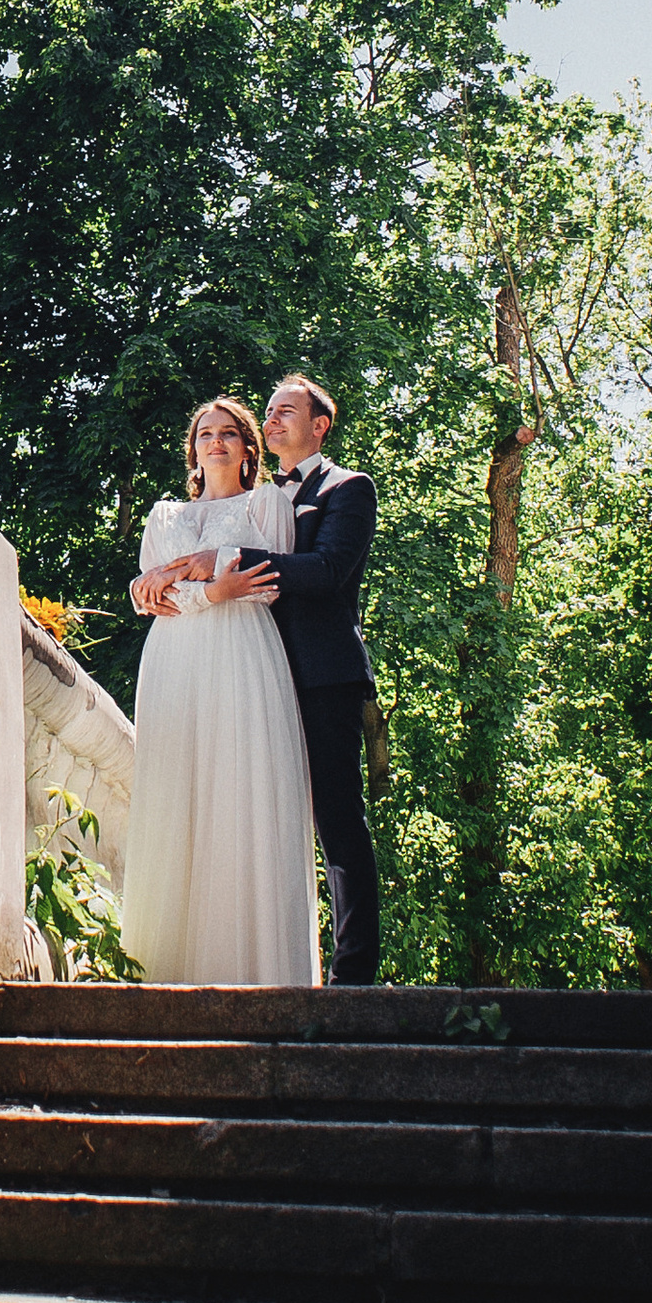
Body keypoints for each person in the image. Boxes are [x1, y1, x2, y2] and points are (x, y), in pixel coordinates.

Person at [117, 395, 318, 985]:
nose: (217, 442)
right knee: (174, 792)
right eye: (206, 433)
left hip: (243, 658)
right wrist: (191, 586)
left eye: (229, 433)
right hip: (175, 662)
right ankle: (162, 971)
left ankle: (251, 970)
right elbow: (152, 600)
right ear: (194, 450)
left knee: (237, 789)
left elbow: (269, 580)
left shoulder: (267, 504)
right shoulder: (164, 517)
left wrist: (198, 582)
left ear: (249, 448)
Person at [259, 372, 384, 987]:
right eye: (269, 411)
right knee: (267, 816)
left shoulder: (348, 489)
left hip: (325, 676)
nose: (272, 419)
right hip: (260, 674)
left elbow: (328, 570)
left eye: (287, 411)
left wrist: (234, 562)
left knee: (337, 819)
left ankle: (353, 974)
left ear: (319, 425)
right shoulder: (258, 495)